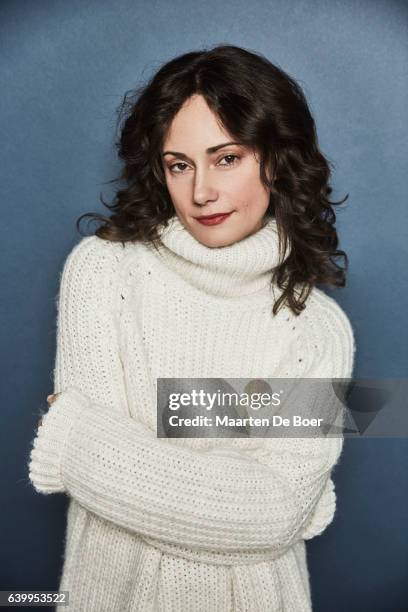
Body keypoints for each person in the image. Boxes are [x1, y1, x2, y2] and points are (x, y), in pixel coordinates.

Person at [28, 44, 356, 611]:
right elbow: (258, 509)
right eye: (179, 164)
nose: (200, 191)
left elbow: (272, 514)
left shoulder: (318, 329)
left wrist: (76, 436)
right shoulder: (105, 270)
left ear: (275, 160)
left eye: (226, 158)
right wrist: (238, 485)